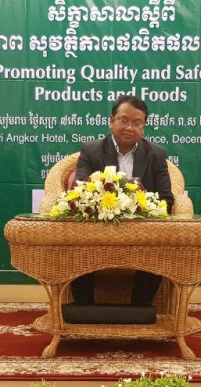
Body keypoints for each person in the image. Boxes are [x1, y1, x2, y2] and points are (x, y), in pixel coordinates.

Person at [70, 95, 174, 306]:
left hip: (142, 231)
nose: (129, 128)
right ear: (112, 121)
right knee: (77, 245)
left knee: (160, 247)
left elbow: (166, 199)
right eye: (123, 120)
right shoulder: (91, 150)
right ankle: (84, 309)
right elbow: (80, 190)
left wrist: (142, 213)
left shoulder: (156, 154)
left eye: (137, 123)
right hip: (98, 230)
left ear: (144, 126)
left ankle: (140, 308)